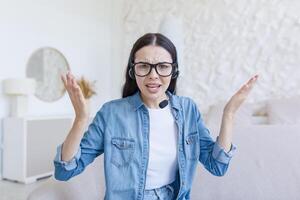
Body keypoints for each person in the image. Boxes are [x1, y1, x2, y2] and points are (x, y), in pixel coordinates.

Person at [54, 33, 258, 200]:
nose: (153, 75)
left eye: (162, 66)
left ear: (173, 70)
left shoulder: (188, 110)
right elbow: (66, 170)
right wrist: (81, 118)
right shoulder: (112, 113)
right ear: (133, 71)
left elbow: (217, 166)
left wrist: (228, 114)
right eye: (144, 66)